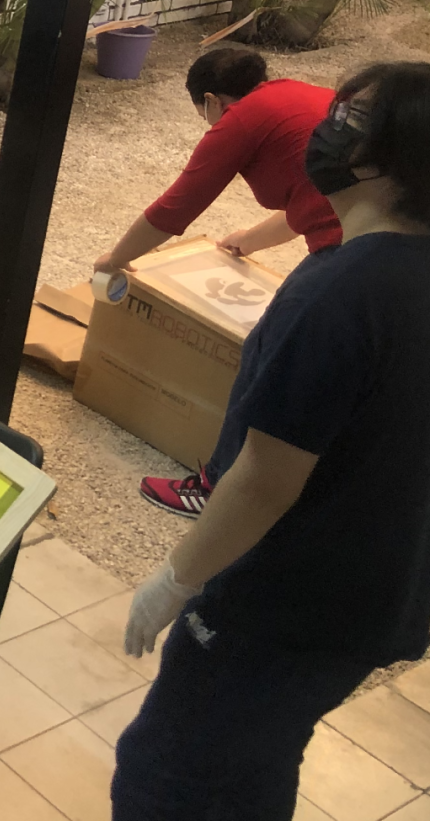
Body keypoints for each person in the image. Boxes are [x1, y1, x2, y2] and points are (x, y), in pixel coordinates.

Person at [113, 61, 430, 821]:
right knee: (254, 763)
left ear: (395, 156)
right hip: (379, 598)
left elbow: (264, 475)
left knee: (170, 774)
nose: (326, 127)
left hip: (285, 603)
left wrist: (175, 580)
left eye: (350, 120)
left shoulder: (338, 292)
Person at [93, 46, 341, 519]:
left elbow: (176, 208)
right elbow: (311, 196)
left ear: (210, 101)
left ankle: (215, 485)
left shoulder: (240, 120)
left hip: (354, 247)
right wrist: (250, 239)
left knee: (267, 346)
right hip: (389, 231)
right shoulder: (299, 97)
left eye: (203, 115)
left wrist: (115, 258)